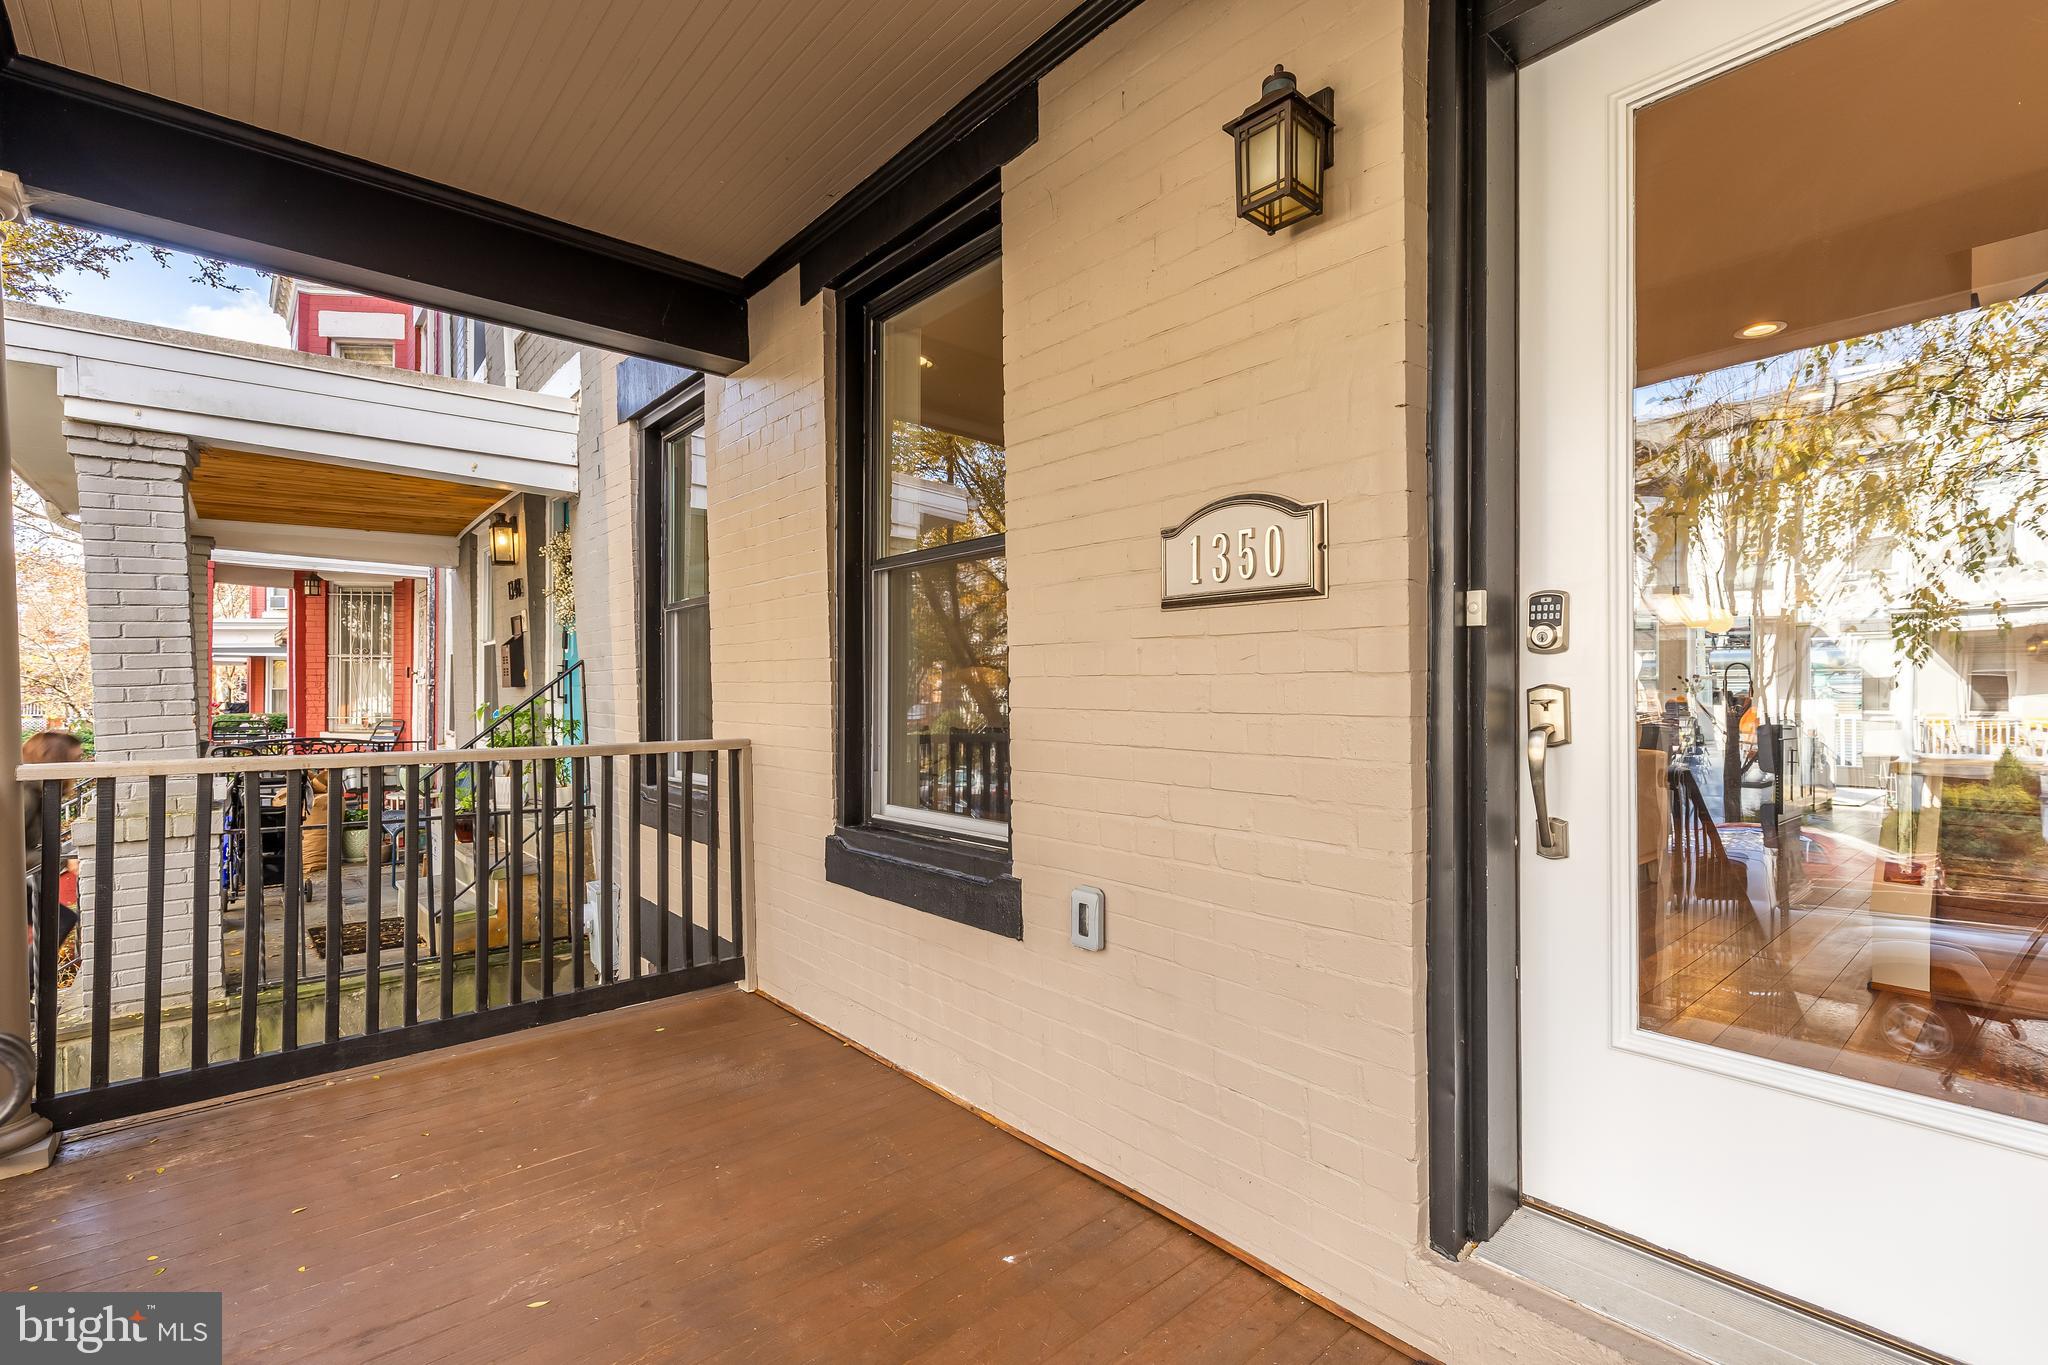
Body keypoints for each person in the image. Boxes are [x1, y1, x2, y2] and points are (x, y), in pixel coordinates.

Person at [22, 730, 85, 992]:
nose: (80, 766)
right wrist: (62, 862)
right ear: (58, 759)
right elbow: (10, 850)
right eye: (76, 759)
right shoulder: (26, 795)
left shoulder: (38, 791)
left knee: (58, 919)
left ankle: (22, 992)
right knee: (57, 920)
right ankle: (20, 991)